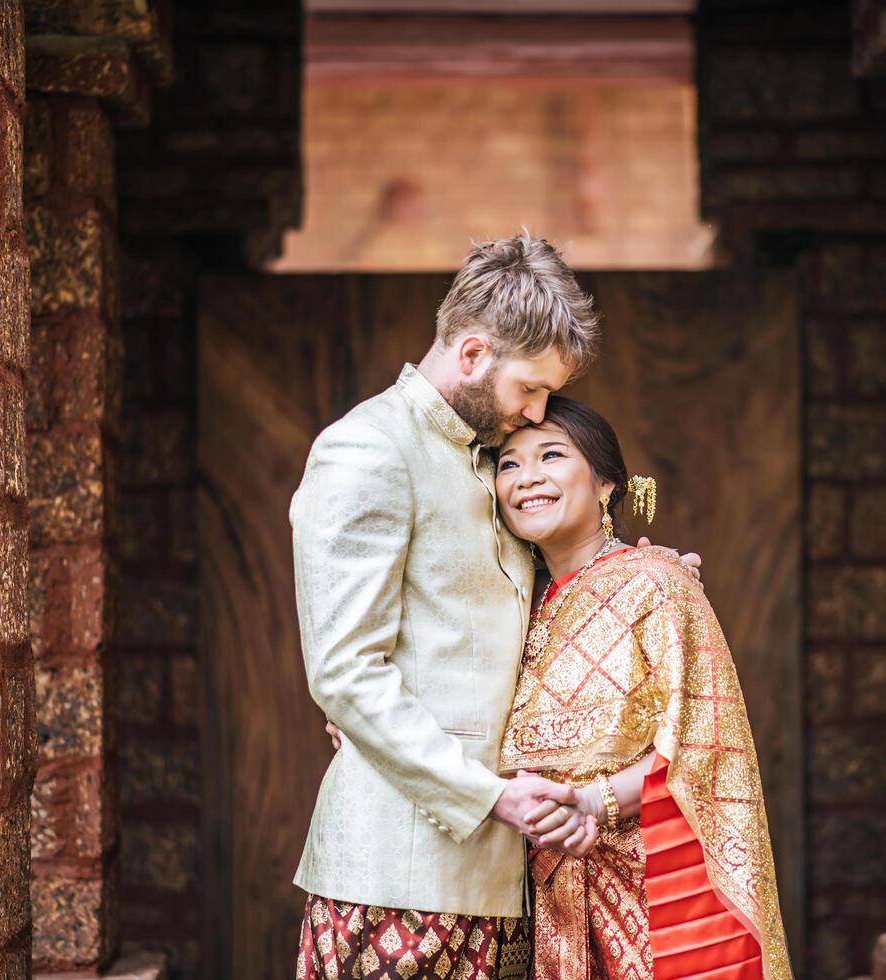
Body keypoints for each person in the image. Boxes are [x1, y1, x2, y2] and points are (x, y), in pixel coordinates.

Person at [292, 232, 698, 980]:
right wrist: (490, 797)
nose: (537, 411)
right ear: (473, 355)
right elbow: (345, 671)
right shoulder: (369, 450)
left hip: (505, 883)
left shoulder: (487, 458)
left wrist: (637, 575)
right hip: (395, 875)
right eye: (530, 389)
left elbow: (517, 618)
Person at [493, 396, 792, 980]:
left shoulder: (656, 585)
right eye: (508, 464)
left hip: (646, 899)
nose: (527, 477)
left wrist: (593, 802)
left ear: (606, 483)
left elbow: (703, 750)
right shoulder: (511, 611)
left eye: (550, 455)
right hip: (537, 907)